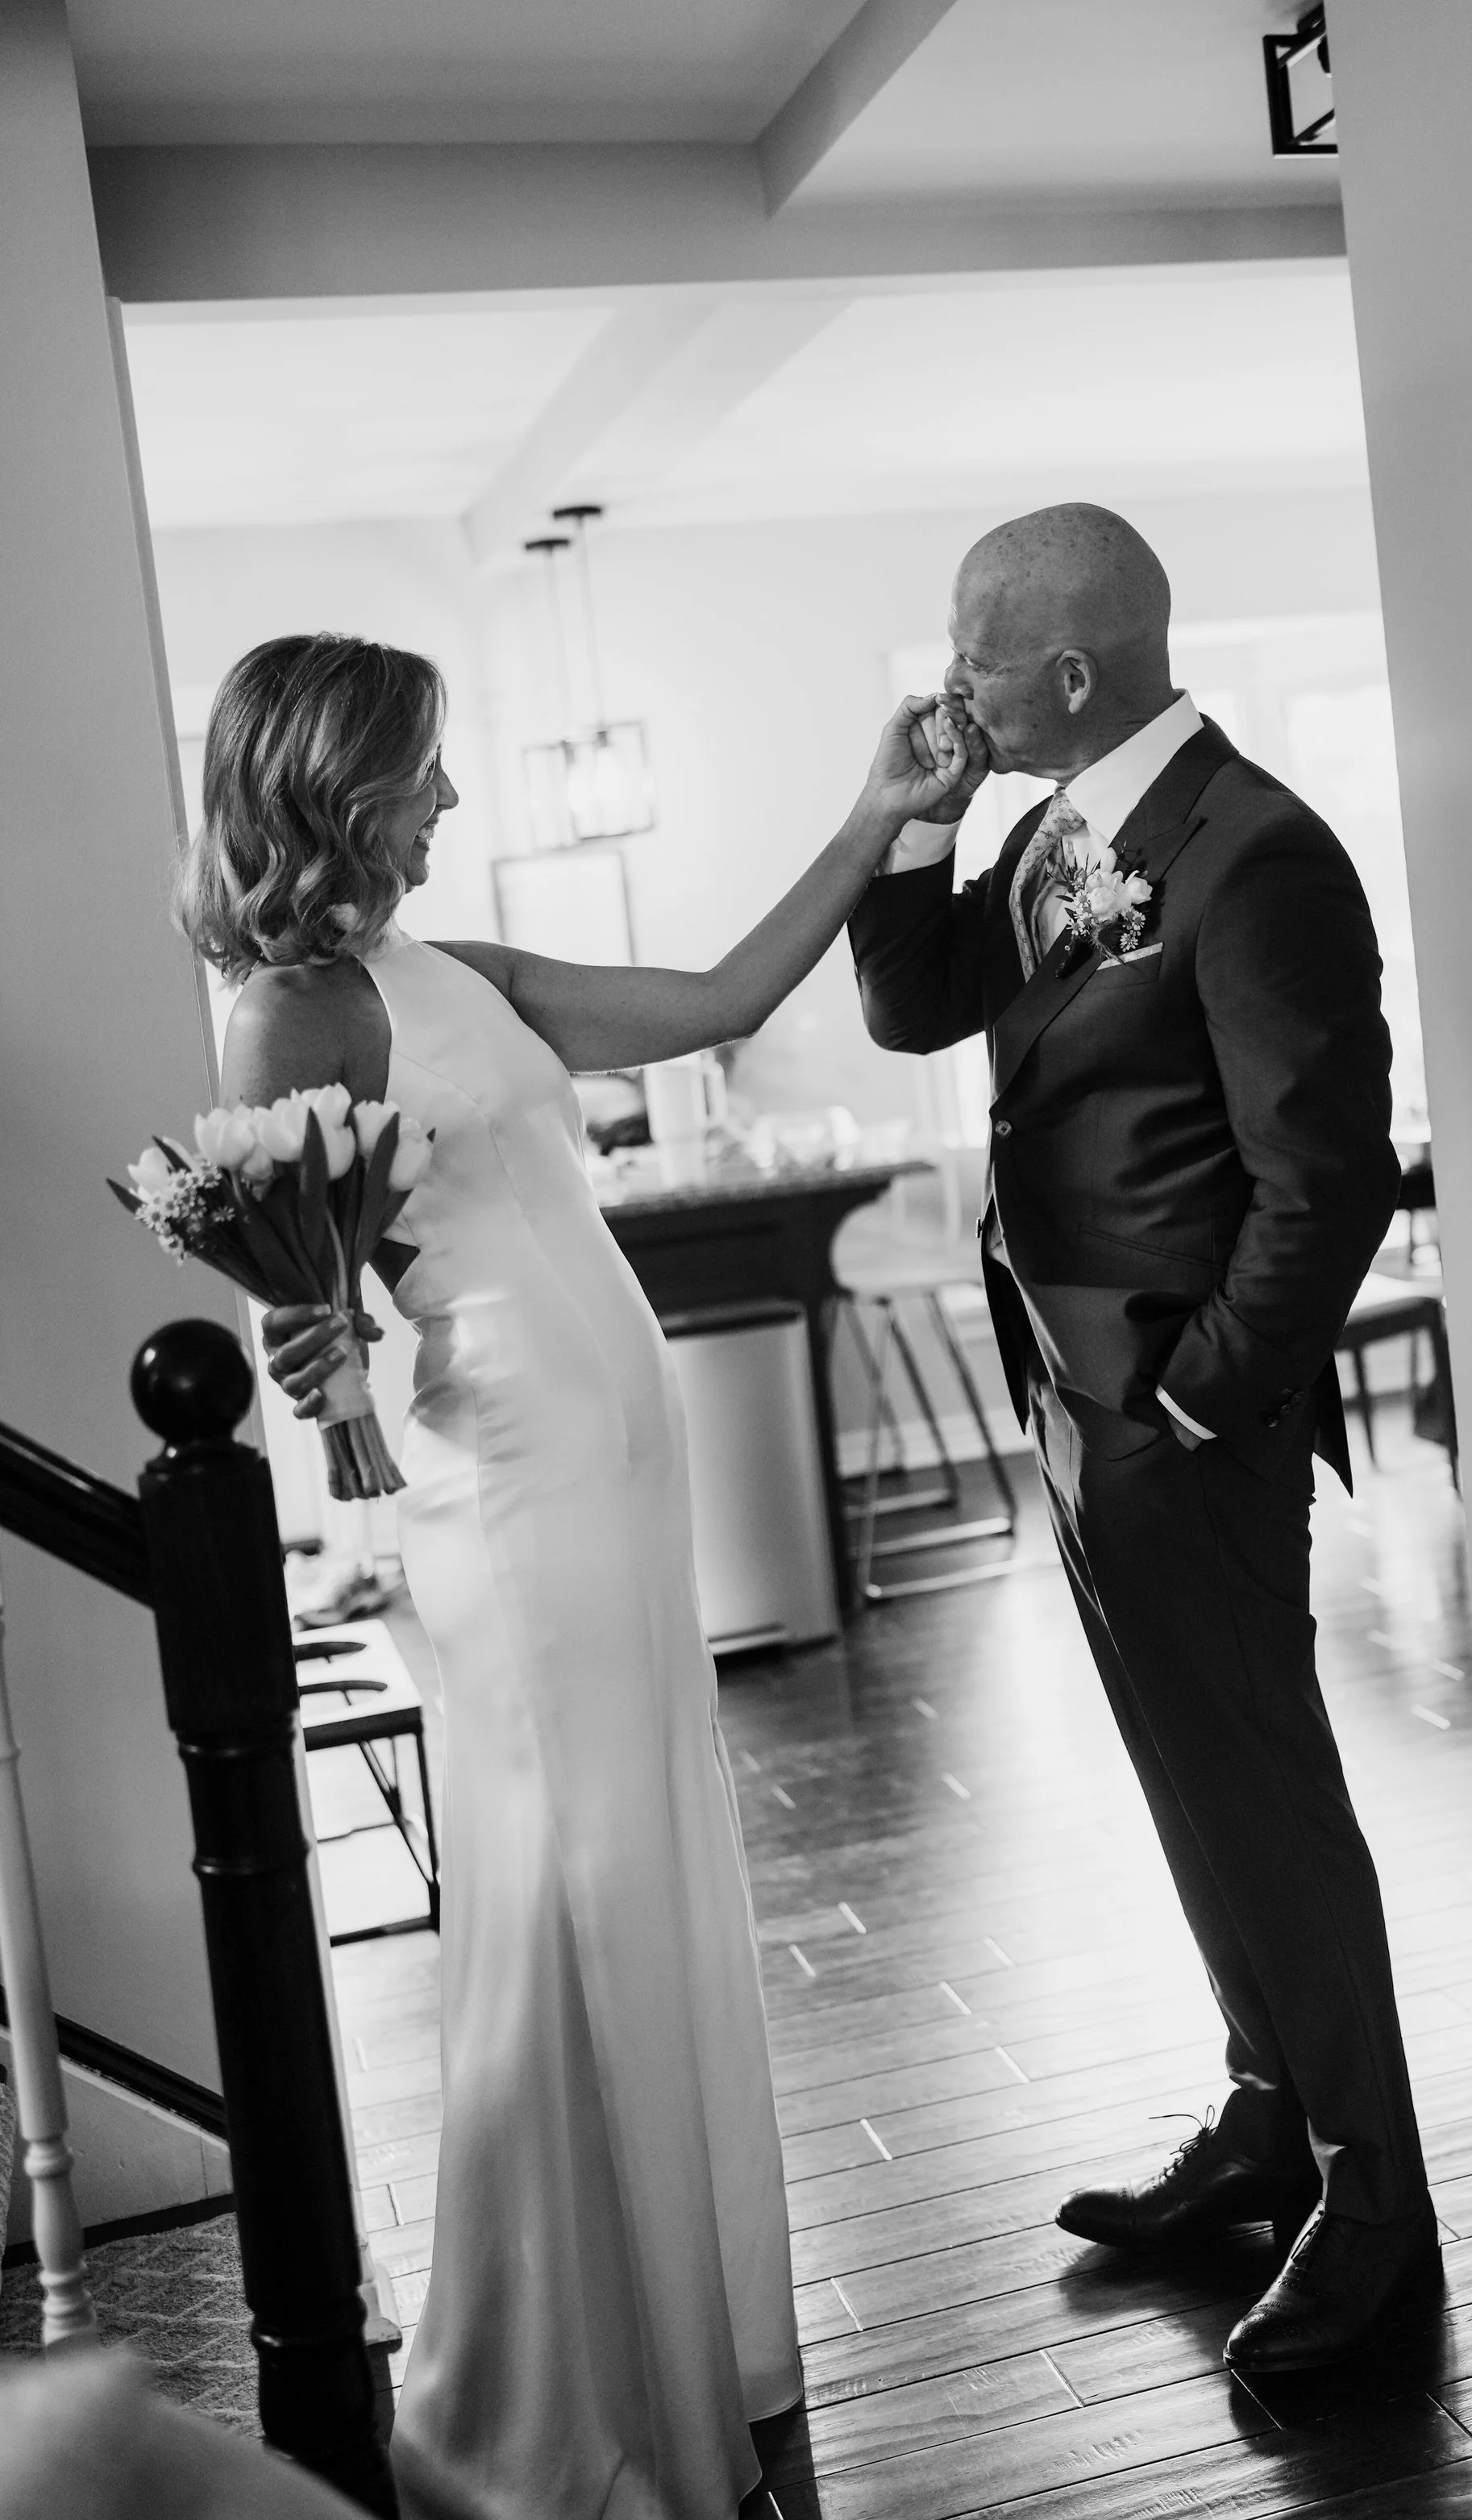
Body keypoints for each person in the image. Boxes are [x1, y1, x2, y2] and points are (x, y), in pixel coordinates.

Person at [176, 633, 970, 2520]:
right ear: (334, 786)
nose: (451, 797)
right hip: (515, 1485)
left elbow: (717, 997)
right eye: (424, 771)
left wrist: (875, 813)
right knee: (570, 1881)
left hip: (612, 1466)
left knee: (645, 1864)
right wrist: (318, 1355)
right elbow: (309, 1285)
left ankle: (699, 2337)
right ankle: (564, 2385)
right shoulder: (287, 1014)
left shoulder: (445, 968)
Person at [849, 505, 1438, 2372]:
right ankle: (1266, 2116)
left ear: (1069, 667)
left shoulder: (1253, 853)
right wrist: (914, 823)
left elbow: (1324, 1173)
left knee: (1263, 1794)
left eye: (973, 654)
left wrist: (1195, 1391)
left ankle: (1375, 2200)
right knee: (1187, 1784)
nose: (952, 682)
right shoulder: (1046, 836)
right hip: (1071, 1390)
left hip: (1185, 1413)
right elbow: (910, 1004)